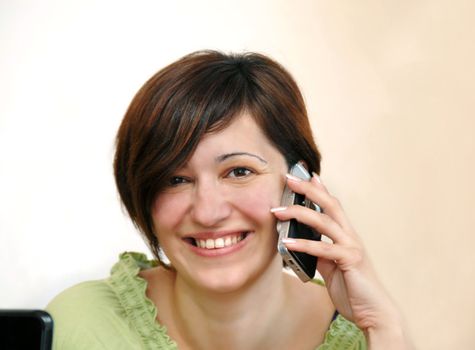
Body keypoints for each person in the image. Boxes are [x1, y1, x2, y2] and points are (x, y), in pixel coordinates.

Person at [47, 50, 411, 349]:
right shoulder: (82, 326)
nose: (208, 212)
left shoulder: (366, 337)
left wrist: (384, 327)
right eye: (176, 179)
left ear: (299, 183)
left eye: (239, 172)